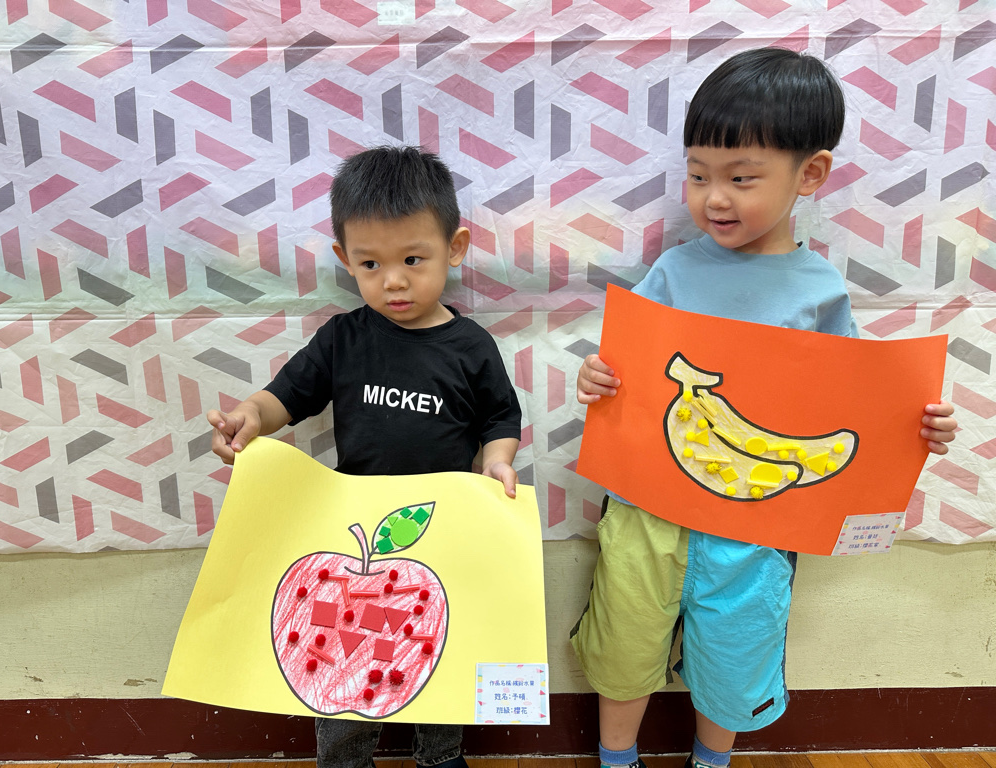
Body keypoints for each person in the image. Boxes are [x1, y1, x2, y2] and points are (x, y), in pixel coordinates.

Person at [571, 47, 958, 768]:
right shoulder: (672, 271)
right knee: (624, 642)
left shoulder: (819, 290)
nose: (714, 198)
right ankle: (616, 759)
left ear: (809, 174)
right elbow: (625, 370)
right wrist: (597, 378)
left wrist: (917, 426)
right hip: (648, 511)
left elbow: (855, 404)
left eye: (741, 178)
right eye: (698, 175)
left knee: (737, 651)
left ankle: (712, 760)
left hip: (758, 525)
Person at [207, 145, 522, 768]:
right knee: (340, 650)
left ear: (455, 248)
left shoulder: (471, 346)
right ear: (345, 259)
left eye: (413, 260)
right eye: (371, 264)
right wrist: (250, 417)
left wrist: (497, 460)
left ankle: (440, 756)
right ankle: (345, 760)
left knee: (440, 649)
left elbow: (500, 418)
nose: (393, 280)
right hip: (353, 536)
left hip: (446, 527)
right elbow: (285, 398)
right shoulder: (343, 339)